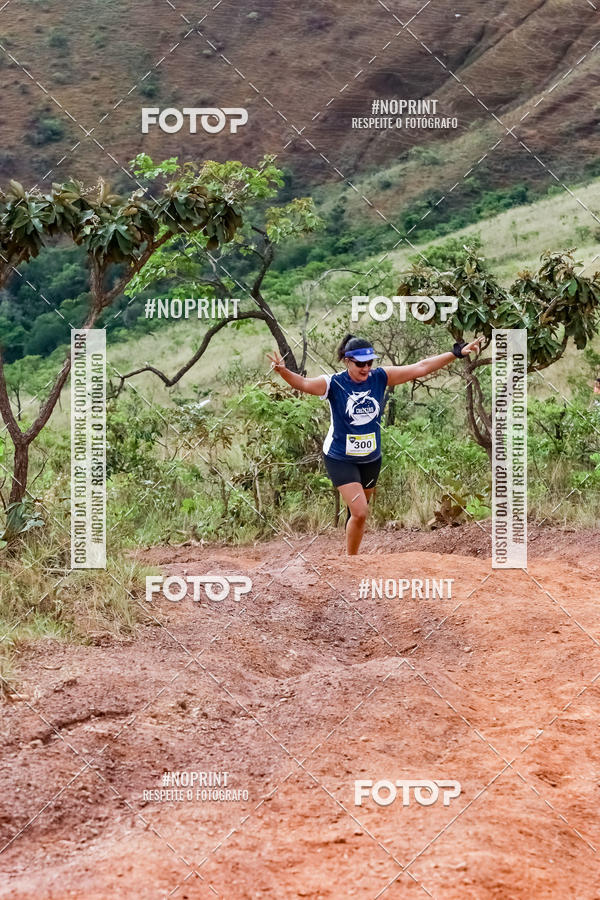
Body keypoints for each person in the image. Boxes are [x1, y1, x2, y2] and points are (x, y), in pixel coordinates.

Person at [267, 333, 482, 555]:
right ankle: (351, 562)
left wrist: (456, 353)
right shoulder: (333, 384)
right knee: (360, 512)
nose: (366, 368)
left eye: (370, 362)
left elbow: (421, 367)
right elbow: (303, 383)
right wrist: (283, 371)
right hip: (340, 457)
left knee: (357, 512)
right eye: (360, 364)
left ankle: (352, 556)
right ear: (347, 361)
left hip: (371, 458)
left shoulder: (380, 377)